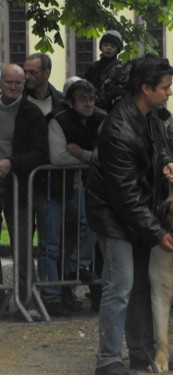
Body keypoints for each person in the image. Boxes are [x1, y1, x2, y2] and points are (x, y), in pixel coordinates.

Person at [86, 56, 173, 375]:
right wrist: (157, 232)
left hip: (135, 212)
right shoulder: (117, 129)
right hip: (113, 216)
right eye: (165, 87)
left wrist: (168, 162)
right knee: (121, 283)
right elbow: (124, 196)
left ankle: (142, 353)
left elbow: (160, 147)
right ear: (146, 88)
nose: (170, 93)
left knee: (141, 282)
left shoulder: (148, 115)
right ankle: (108, 358)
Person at [43, 79, 106, 316]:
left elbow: (105, 155)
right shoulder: (58, 120)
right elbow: (58, 157)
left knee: (90, 223)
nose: (89, 104)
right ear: (70, 102)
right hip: (56, 187)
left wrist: (83, 154)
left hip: (84, 186)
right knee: (51, 243)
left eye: (91, 99)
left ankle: (77, 267)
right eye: (83, 99)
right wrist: (91, 161)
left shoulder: (101, 119)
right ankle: (51, 296)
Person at [0, 63, 49, 320]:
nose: (14, 86)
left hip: (18, 185)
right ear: (1, 82)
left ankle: (26, 300)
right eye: (9, 82)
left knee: (22, 244)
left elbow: (41, 152)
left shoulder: (31, 113)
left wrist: (12, 163)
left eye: (18, 83)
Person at [83, 30, 128, 111]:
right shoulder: (93, 67)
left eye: (113, 46)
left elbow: (115, 94)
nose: (108, 48)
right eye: (106, 45)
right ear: (101, 47)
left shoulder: (119, 70)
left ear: (117, 49)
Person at [23, 53, 62, 118]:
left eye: (32, 72)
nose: (27, 77)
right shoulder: (17, 99)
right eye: (25, 72)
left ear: (46, 73)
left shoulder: (61, 101)